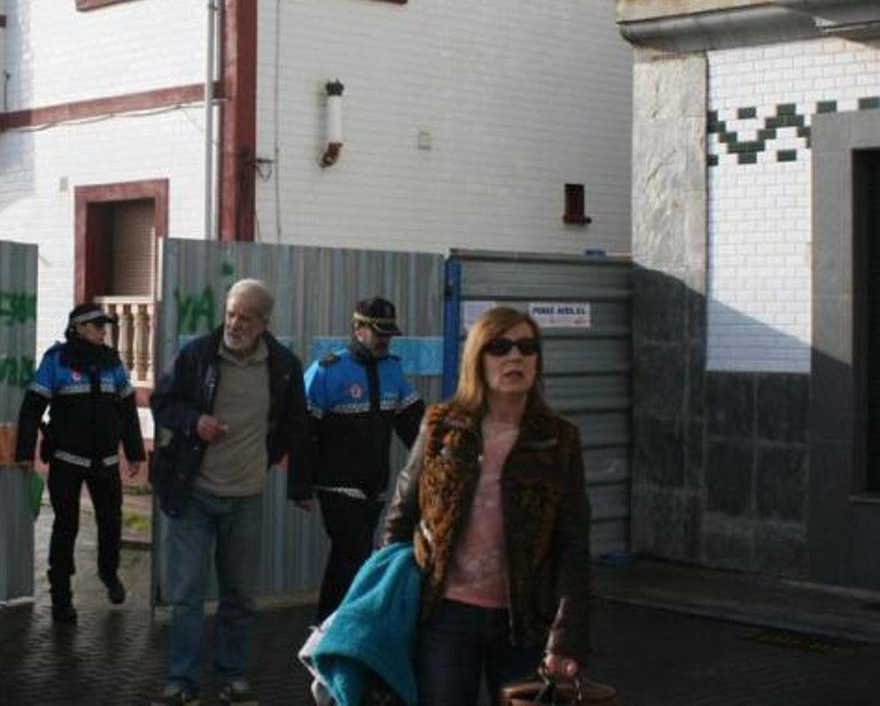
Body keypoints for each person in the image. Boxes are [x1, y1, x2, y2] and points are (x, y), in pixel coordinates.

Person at [383, 306, 591, 705]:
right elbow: (401, 516)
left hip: (526, 620)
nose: (515, 357)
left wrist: (568, 636)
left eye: (527, 347)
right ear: (477, 358)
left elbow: (573, 544)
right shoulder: (441, 426)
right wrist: (391, 601)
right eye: (500, 347)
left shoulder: (559, 439)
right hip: (445, 614)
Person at [149, 278, 313, 706]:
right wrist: (194, 422)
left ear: (264, 323)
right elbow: (162, 402)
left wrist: (265, 458)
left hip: (245, 497)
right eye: (230, 314)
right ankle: (181, 681)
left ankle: (231, 676)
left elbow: (295, 422)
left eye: (245, 318)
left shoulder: (283, 366)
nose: (235, 324)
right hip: (193, 493)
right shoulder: (197, 355)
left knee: (239, 595)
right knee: (187, 594)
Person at [15, 302, 145, 624]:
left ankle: (108, 572)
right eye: (98, 326)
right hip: (66, 462)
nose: (103, 331)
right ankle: (61, 598)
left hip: (106, 463)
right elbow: (31, 409)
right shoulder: (56, 360)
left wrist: (135, 453)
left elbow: (128, 410)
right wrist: (24, 452)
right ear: (79, 328)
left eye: (104, 326)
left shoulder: (112, 363)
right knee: (66, 527)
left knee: (111, 523)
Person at [304, 297, 424, 621]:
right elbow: (301, 432)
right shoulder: (327, 371)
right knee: (353, 553)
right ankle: (331, 625)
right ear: (358, 328)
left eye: (389, 334)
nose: (385, 340)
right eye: (378, 332)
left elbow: (417, 427)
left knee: (350, 558)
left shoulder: (392, 370)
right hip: (336, 484)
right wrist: (300, 485)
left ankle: (331, 626)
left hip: (375, 485)